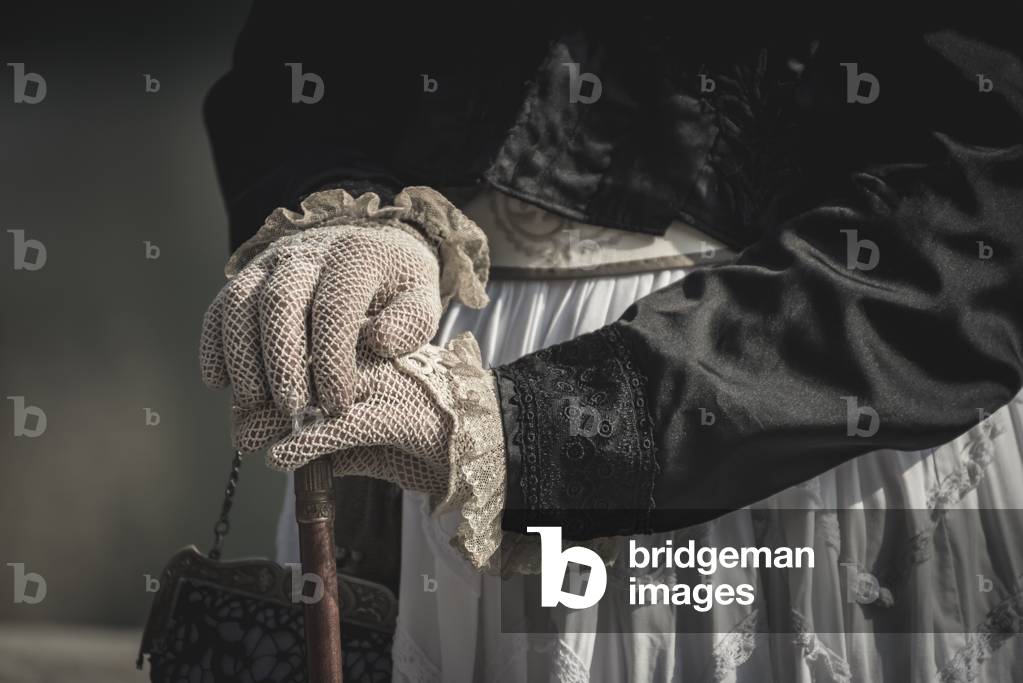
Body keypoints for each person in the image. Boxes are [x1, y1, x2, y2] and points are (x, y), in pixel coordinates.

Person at [200, 7, 1023, 681]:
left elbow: (978, 187)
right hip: (407, 371)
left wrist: (544, 430)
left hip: (767, 400)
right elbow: (303, 60)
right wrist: (339, 206)